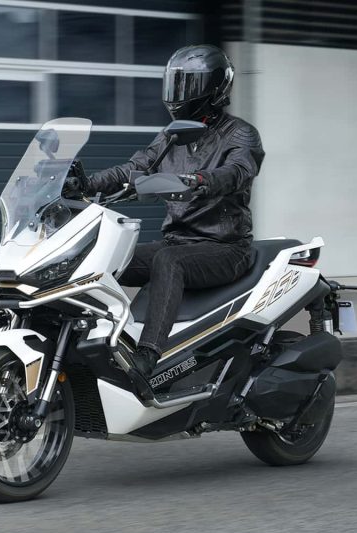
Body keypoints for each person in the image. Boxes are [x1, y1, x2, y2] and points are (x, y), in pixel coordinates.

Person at [65, 44, 265, 387]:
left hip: (225, 247)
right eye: (175, 84)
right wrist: (84, 184)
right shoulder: (172, 137)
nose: (178, 94)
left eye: (188, 85)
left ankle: (147, 358)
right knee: (96, 259)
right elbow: (134, 168)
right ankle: (87, 344)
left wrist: (200, 180)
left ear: (213, 88)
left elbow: (237, 171)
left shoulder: (240, 134)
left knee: (168, 262)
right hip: (179, 240)